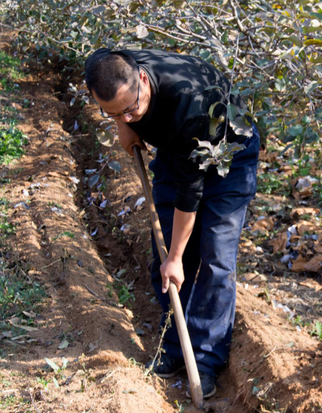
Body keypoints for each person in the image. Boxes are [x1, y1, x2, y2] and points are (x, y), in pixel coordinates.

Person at [84, 48, 259, 399]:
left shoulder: (187, 104)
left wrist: (177, 256)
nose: (129, 117)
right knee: (163, 260)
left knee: (214, 257)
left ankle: (206, 359)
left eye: (131, 108)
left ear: (143, 80)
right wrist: (122, 123)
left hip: (229, 157)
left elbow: (188, 194)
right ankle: (177, 347)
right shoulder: (109, 68)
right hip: (177, 153)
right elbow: (122, 101)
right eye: (115, 112)